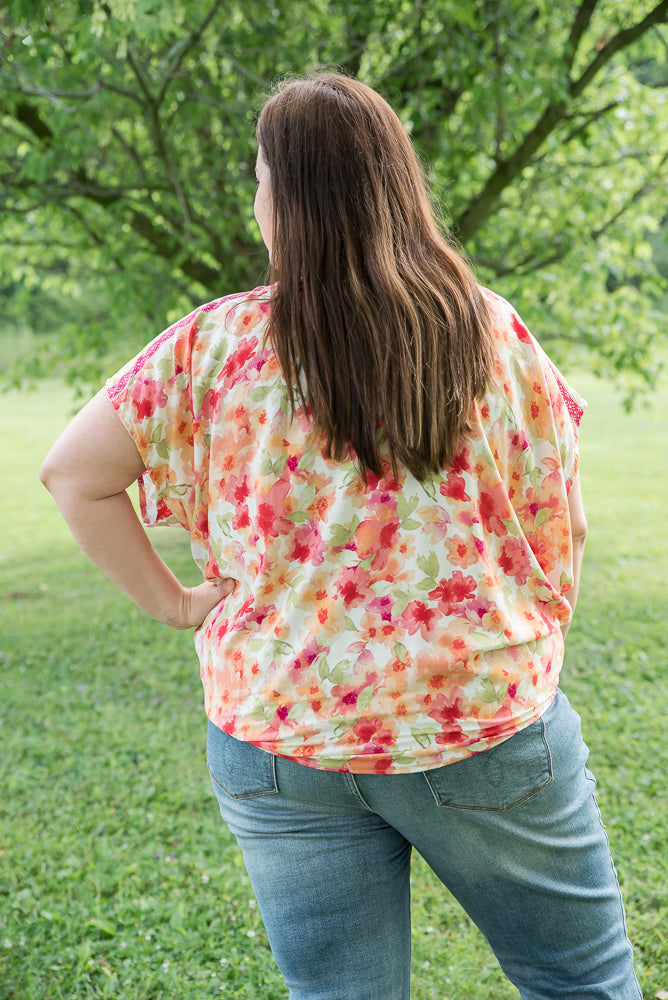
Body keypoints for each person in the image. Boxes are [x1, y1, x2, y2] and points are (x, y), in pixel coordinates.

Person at [40, 72, 641, 1000]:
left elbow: (73, 475)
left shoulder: (213, 346)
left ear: (286, 200)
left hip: (282, 734)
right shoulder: (482, 329)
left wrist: (174, 605)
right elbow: (566, 507)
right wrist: (539, 616)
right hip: (477, 714)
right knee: (581, 982)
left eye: (259, 178)